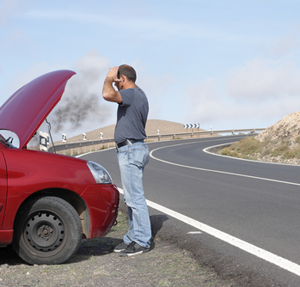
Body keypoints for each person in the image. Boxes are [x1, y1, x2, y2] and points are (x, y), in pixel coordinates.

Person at [102, 64, 152, 256]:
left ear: (122, 78)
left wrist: (108, 79)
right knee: (131, 197)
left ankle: (142, 240)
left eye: (117, 80)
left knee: (135, 197)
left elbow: (107, 94)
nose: (115, 84)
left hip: (131, 150)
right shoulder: (139, 94)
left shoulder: (131, 93)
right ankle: (132, 237)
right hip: (134, 148)